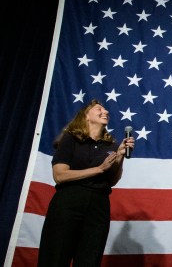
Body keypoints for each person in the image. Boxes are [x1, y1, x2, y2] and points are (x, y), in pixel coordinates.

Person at [38, 99, 135, 267]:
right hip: (69, 201)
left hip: (98, 205)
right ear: (86, 116)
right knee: (56, 256)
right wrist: (98, 169)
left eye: (106, 111)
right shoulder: (71, 138)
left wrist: (119, 156)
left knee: (90, 259)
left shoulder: (110, 145)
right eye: (99, 109)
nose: (105, 112)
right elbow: (60, 175)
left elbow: (111, 180)